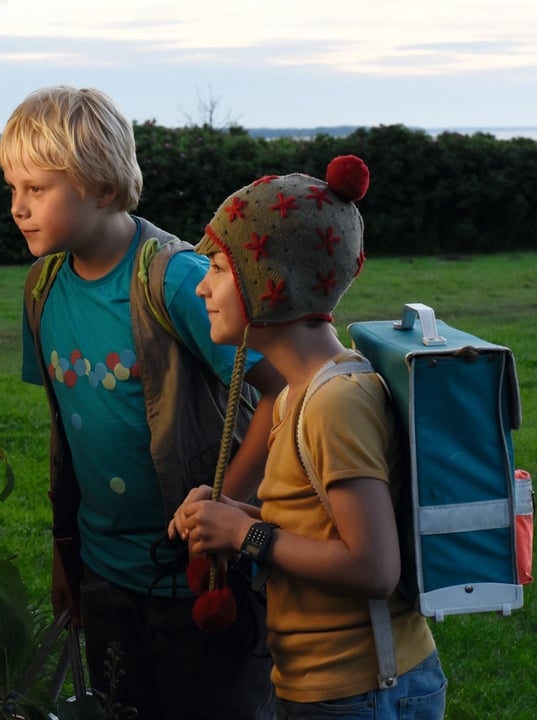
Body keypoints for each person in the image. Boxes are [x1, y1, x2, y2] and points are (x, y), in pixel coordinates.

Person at [0, 85, 283, 720]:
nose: (17, 207)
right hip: (103, 576)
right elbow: (67, 438)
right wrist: (63, 552)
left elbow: (285, 388)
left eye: (36, 188)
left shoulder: (176, 279)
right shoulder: (42, 288)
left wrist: (224, 512)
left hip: (201, 579)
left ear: (101, 187)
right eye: (11, 187)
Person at [170, 155, 447, 719]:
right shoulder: (296, 393)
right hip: (323, 685)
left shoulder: (334, 403)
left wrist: (246, 534)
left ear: (273, 285)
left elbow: (373, 567)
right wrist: (224, 514)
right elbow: (311, 520)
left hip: (363, 690)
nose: (202, 288)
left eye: (219, 269)